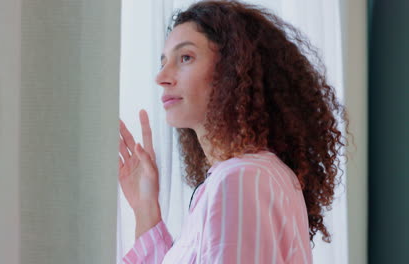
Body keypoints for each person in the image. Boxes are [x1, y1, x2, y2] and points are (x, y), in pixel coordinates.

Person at [118, 0, 350, 263]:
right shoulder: (247, 176)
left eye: (185, 58)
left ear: (233, 69)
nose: (161, 77)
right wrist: (145, 206)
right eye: (163, 62)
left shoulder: (240, 180)